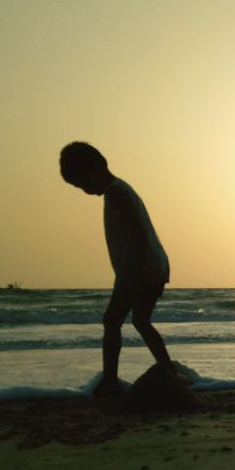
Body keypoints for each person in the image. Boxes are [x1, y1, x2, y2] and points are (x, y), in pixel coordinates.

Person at [59, 142, 177, 397]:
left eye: (83, 183)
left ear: (99, 168)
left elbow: (138, 231)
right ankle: (168, 371)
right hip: (153, 265)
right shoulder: (119, 189)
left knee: (111, 321)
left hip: (139, 268)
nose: (84, 190)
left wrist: (137, 272)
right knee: (141, 321)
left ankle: (110, 380)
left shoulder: (116, 193)